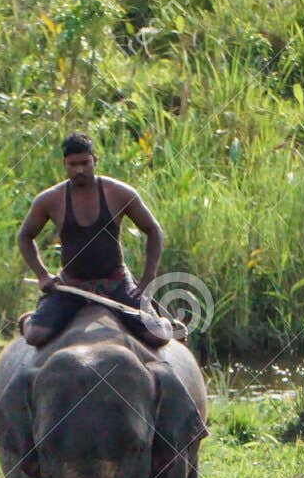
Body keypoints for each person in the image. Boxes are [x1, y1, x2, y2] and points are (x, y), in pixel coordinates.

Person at [16, 133, 184, 347]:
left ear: (95, 160)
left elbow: (153, 230)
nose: (79, 170)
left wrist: (147, 279)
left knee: (157, 336)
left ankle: (164, 320)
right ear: (64, 164)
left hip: (115, 282)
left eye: (85, 163)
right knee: (35, 336)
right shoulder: (50, 199)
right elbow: (25, 236)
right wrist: (42, 275)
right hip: (72, 284)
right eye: (73, 164)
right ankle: (29, 318)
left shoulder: (119, 193)